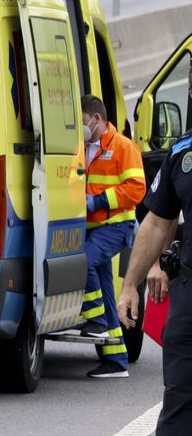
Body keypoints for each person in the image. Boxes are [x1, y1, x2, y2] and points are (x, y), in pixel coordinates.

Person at [120, 130, 192, 436]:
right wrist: (131, 282)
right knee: (180, 392)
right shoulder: (183, 153)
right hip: (190, 292)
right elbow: (158, 219)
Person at [79, 94, 145, 378]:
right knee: (106, 292)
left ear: (96, 119)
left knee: (83, 262)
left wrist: (98, 201)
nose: (79, 128)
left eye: (82, 122)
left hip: (117, 226)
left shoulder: (123, 147)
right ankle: (117, 361)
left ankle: (96, 322)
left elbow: (136, 189)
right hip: (93, 228)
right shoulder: (82, 148)